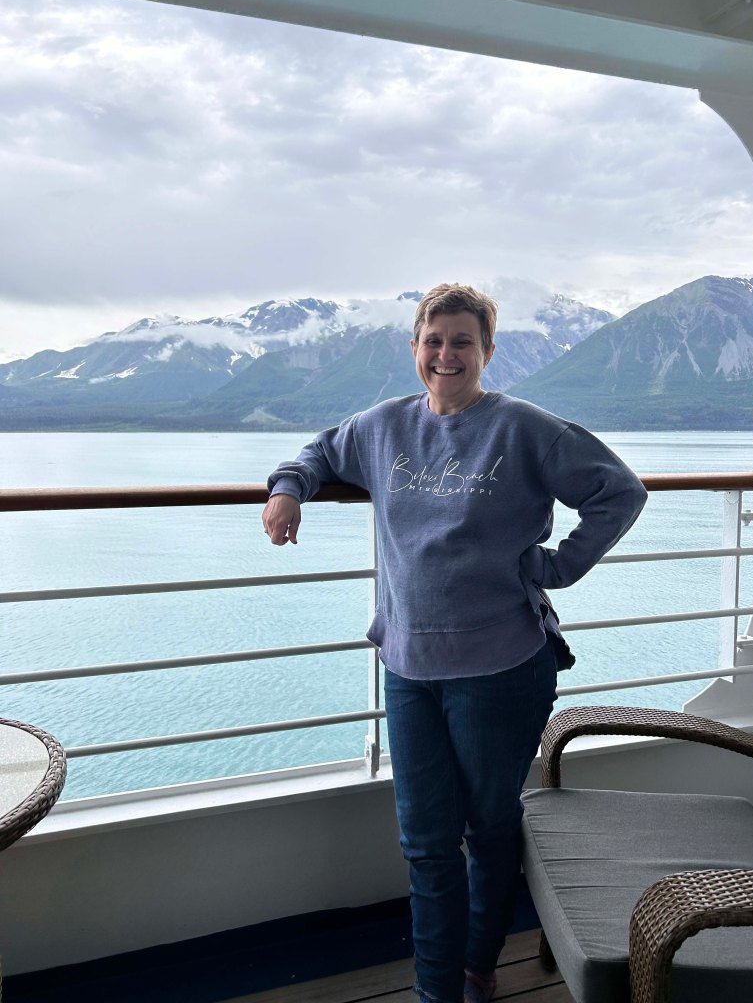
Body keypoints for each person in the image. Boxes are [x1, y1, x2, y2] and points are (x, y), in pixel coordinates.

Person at [262, 284, 647, 1003]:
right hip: (408, 667)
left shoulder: (526, 429)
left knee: (491, 827)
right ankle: (437, 992)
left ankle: (479, 963)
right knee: (426, 845)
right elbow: (318, 452)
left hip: (502, 667)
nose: (446, 354)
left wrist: (558, 566)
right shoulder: (382, 427)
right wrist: (288, 488)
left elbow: (619, 491)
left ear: (487, 352)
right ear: (414, 348)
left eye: (462, 341)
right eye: (433, 341)